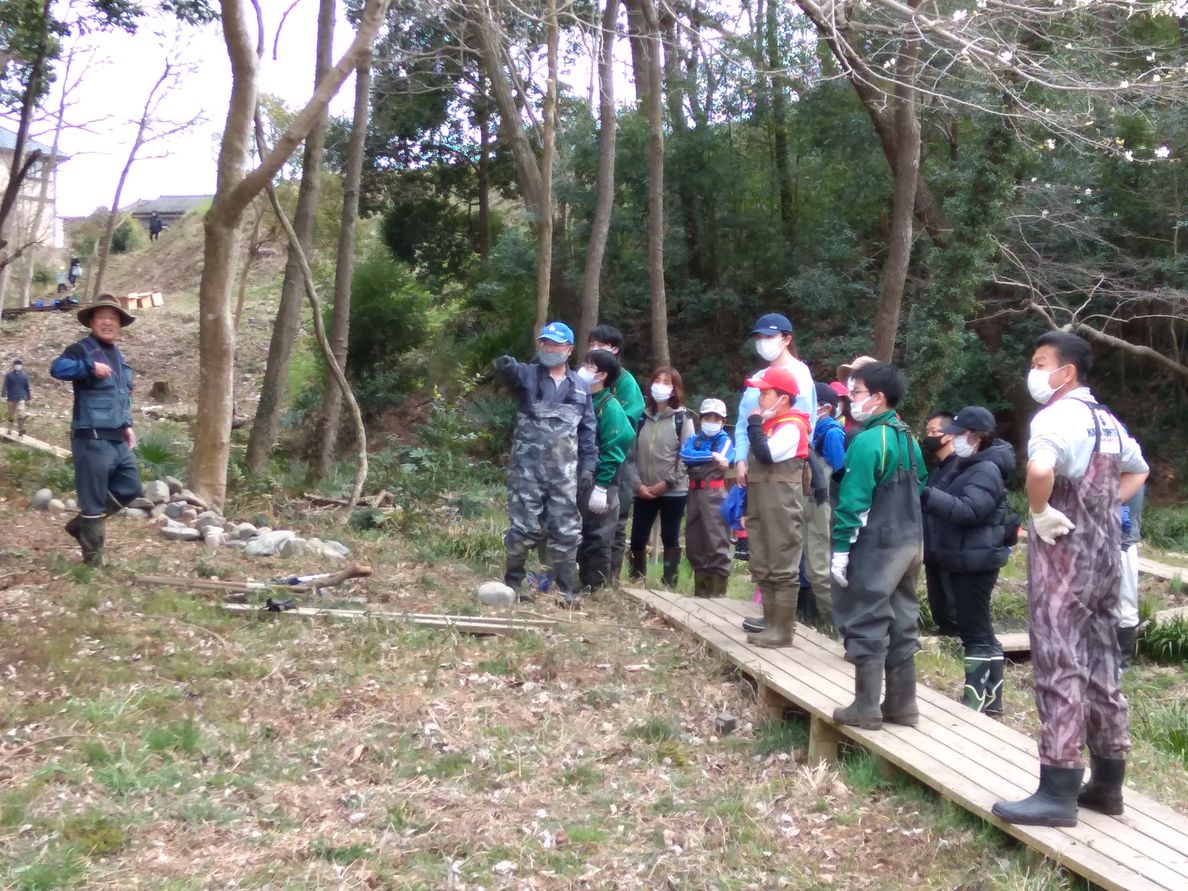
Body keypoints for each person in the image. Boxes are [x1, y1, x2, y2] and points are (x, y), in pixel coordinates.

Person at [993, 332, 1148, 828]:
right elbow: (1139, 470)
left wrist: (1039, 511)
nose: (1034, 372)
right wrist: (1107, 507)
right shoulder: (1107, 420)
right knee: (1104, 666)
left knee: (1060, 663)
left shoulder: (1057, 417)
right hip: (1106, 559)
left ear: (1068, 372)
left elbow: (1040, 467)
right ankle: (1107, 784)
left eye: (1041, 363)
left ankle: (1058, 789)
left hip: (1063, 560)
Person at [831, 362, 927, 731]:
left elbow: (853, 501)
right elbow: (919, 484)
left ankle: (866, 707)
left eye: (856, 393)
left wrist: (841, 549)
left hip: (878, 545)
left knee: (866, 617)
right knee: (903, 618)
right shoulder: (908, 438)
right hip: (911, 543)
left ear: (878, 397)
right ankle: (904, 706)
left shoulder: (869, 440)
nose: (852, 400)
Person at [493, 322, 597, 607]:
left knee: (566, 531)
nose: (549, 349)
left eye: (555, 345)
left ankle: (567, 591)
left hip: (564, 476)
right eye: (545, 344)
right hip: (527, 473)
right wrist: (507, 367)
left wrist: (588, 467)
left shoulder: (580, 388)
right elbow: (512, 376)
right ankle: (512, 584)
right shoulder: (528, 375)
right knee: (523, 528)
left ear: (569, 350)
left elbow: (588, 431)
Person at [920, 406, 1015, 715]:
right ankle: (990, 701)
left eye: (958, 433)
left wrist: (926, 496)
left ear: (974, 436)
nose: (953, 438)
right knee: (980, 629)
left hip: (977, 560)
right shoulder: (970, 464)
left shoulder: (986, 469)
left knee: (975, 631)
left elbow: (970, 510)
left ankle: (975, 701)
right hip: (967, 556)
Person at [736, 313, 817, 634]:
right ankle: (770, 617)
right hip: (756, 472)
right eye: (758, 337)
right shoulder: (759, 379)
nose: (762, 343)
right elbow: (744, 423)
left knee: (784, 549)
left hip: (784, 470)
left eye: (768, 336)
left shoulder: (800, 377)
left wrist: (774, 448)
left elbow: (801, 429)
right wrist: (740, 460)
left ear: (786, 338)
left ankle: (783, 624)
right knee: (762, 548)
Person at [50, 297, 143, 566]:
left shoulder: (118, 356)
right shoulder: (81, 349)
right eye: (101, 316)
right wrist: (88, 367)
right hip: (91, 438)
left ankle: (81, 526)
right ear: (91, 321)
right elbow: (57, 368)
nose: (107, 322)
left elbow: (122, 396)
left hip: (116, 439)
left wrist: (127, 425)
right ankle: (92, 565)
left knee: (131, 487)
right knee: (92, 502)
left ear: (120, 324)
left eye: (113, 318)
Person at [587, 325, 646, 583]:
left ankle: (610, 576)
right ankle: (589, 571)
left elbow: (629, 420)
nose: (596, 349)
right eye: (592, 344)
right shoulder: (585, 380)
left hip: (618, 452)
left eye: (602, 345)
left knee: (616, 514)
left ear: (615, 350)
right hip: (590, 454)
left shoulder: (624, 381)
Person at [628, 367, 695, 586]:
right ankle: (636, 581)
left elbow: (688, 455)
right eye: (658, 380)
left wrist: (667, 483)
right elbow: (632, 453)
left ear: (675, 389)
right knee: (637, 537)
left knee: (670, 537)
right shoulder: (641, 417)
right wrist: (637, 484)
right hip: (643, 489)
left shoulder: (682, 419)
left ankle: (669, 584)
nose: (661, 385)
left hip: (673, 490)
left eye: (667, 382)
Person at [575, 349, 635, 592]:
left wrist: (602, 486)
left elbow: (616, 448)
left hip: (603, 481)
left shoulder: (610, 408)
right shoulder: (583, 400)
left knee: (599, 535)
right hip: (580, 478)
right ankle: (581, 581)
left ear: (602, 375)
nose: (583, 369)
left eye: (589, 365)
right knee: (580, 532)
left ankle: (596, 586)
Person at [798, 382, 847, 628]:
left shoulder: (832, 433)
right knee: (810, 563)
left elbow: (839, 473)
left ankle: (833, 624)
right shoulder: (812, 432)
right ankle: (821, 619)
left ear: (826, 408)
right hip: (810, 503)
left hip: (823, 506)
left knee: (819, 566)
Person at [680, 398, 735, 597]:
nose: (712, 421)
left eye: (716, 418)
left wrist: (705, 455)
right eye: (708, 417)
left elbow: (726, 458)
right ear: (701, 418)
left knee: (716, 541)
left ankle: (718, 595)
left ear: (723, 421)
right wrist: (711, 455)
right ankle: (700, 593)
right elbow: (686, 455)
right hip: (694, 494)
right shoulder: (692, 439)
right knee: (695, 541)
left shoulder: (725, 440)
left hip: (715, 495)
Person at [921, 410, 961, 637]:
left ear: (949, 435)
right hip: (933, 547)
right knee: (937, 595)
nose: (929, 436)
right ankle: (944, 631)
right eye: (927, 431)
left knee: (951, 597)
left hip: (948, 545)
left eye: (934, 431)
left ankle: (956, 638)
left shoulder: (958, 468)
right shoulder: (938, 468)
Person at [1118, 487, 1144, 668]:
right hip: (1097, 542)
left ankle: (1121, 663)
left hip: (1122, 544)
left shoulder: (1132, 467)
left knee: (1125, 603)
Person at [3, 358, 31, 437]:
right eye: (16, 364)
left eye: (19, 364)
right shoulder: (9, 375)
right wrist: (4, 395)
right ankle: (9, 429)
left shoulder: (24, 375)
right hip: (11, 398)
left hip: (21, 397)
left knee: (21, 413)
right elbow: (5, 386)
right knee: (11, 415)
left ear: (21, 366)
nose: (18, 366)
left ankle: (20, 429)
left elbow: (27, 386)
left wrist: (28, 396)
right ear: (14, 365)